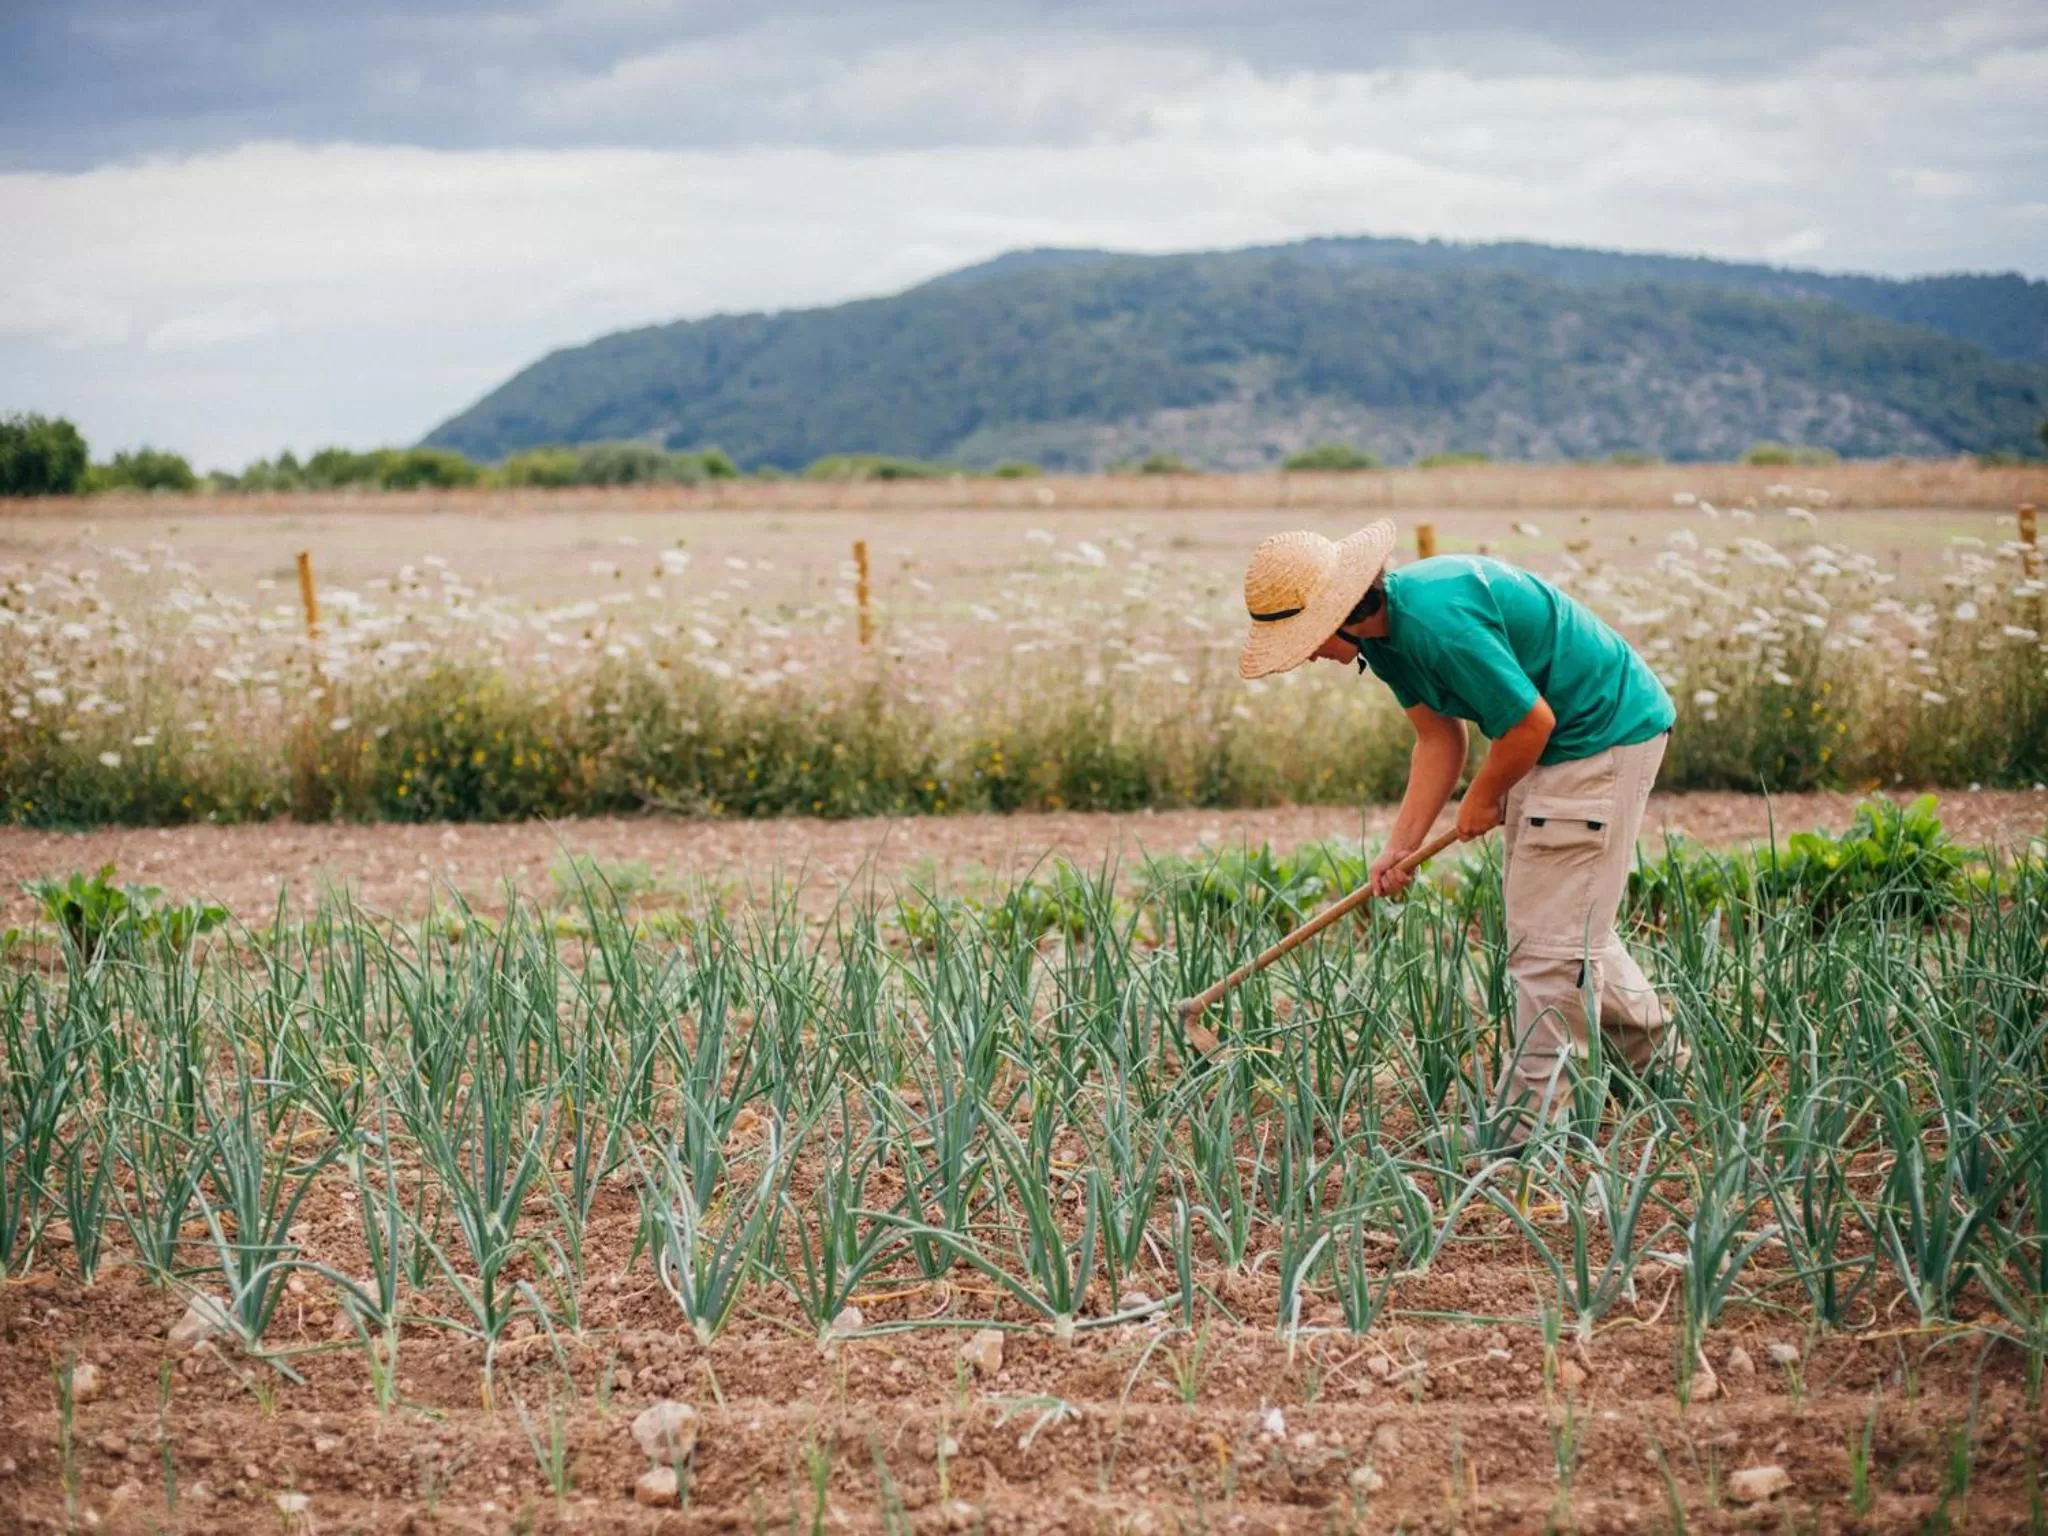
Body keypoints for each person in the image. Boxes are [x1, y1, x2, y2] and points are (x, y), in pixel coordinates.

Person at [1236, 520, 1682, 1145]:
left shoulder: (1437, 624)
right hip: (1558, 742)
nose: (1307, 655)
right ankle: (1666, 1071)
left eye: (1305, 640)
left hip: (1598, 739)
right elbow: (1438, 738)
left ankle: (1524, 1133)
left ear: (1341, 613)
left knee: (1549, 949)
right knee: (1562, 922)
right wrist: (1401, 847)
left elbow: (1530, 723)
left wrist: (1483, 795)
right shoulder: (1385, 639)